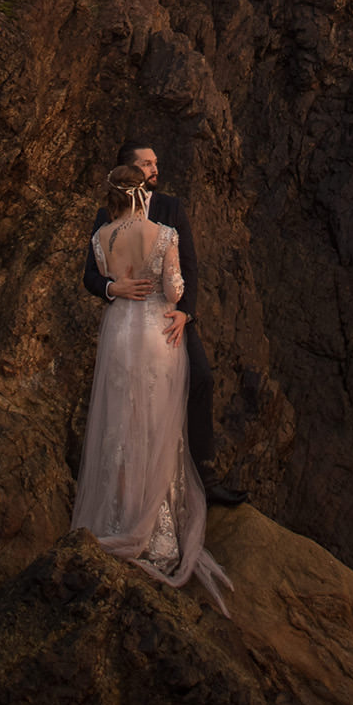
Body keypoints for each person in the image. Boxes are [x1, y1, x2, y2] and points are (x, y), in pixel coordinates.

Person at [70, 163, 230, 611]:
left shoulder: (100, 238)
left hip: (118, 333)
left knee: (120, 425)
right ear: (141, 193)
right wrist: (170, 283)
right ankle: (156, 537)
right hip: (156, 334)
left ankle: (115, 518)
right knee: (158, 428)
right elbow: (175, 291)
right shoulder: (163, 233)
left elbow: (103, 281)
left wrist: (118, 287)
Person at [81, 142, 246, 508]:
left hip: (171, 317)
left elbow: (189, 262)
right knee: (133, 402)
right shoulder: (103, 216)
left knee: (200, 377)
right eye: (146, 164)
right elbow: (90, 275)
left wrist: (186, 313)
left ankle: (205, 476)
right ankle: (140, 492)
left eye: (156, 162)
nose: (155, 169)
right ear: (130, 171)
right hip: (128, 317)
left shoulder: (171, 207)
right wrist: (113, 287)